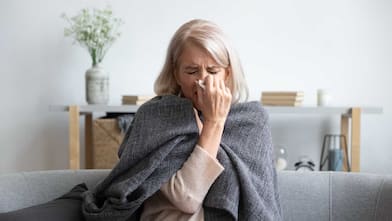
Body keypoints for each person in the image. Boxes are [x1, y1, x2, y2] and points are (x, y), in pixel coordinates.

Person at [0, 19, 282, 221]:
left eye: (213, 70)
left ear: (228, 74)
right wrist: (214, 123)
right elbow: (185, 198)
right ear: (175, 73)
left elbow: (260, 202)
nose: (202, 82)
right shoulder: (155, 116)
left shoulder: (251, 120)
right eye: (192, 71)